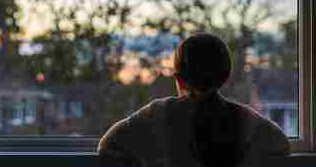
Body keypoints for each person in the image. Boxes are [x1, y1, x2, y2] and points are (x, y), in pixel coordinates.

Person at [97, 33, 290, 167]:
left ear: (179, 78)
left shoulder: (158, 115)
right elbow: (280, 145)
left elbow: (108, 145)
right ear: (226, 76)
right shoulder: (244, 119)